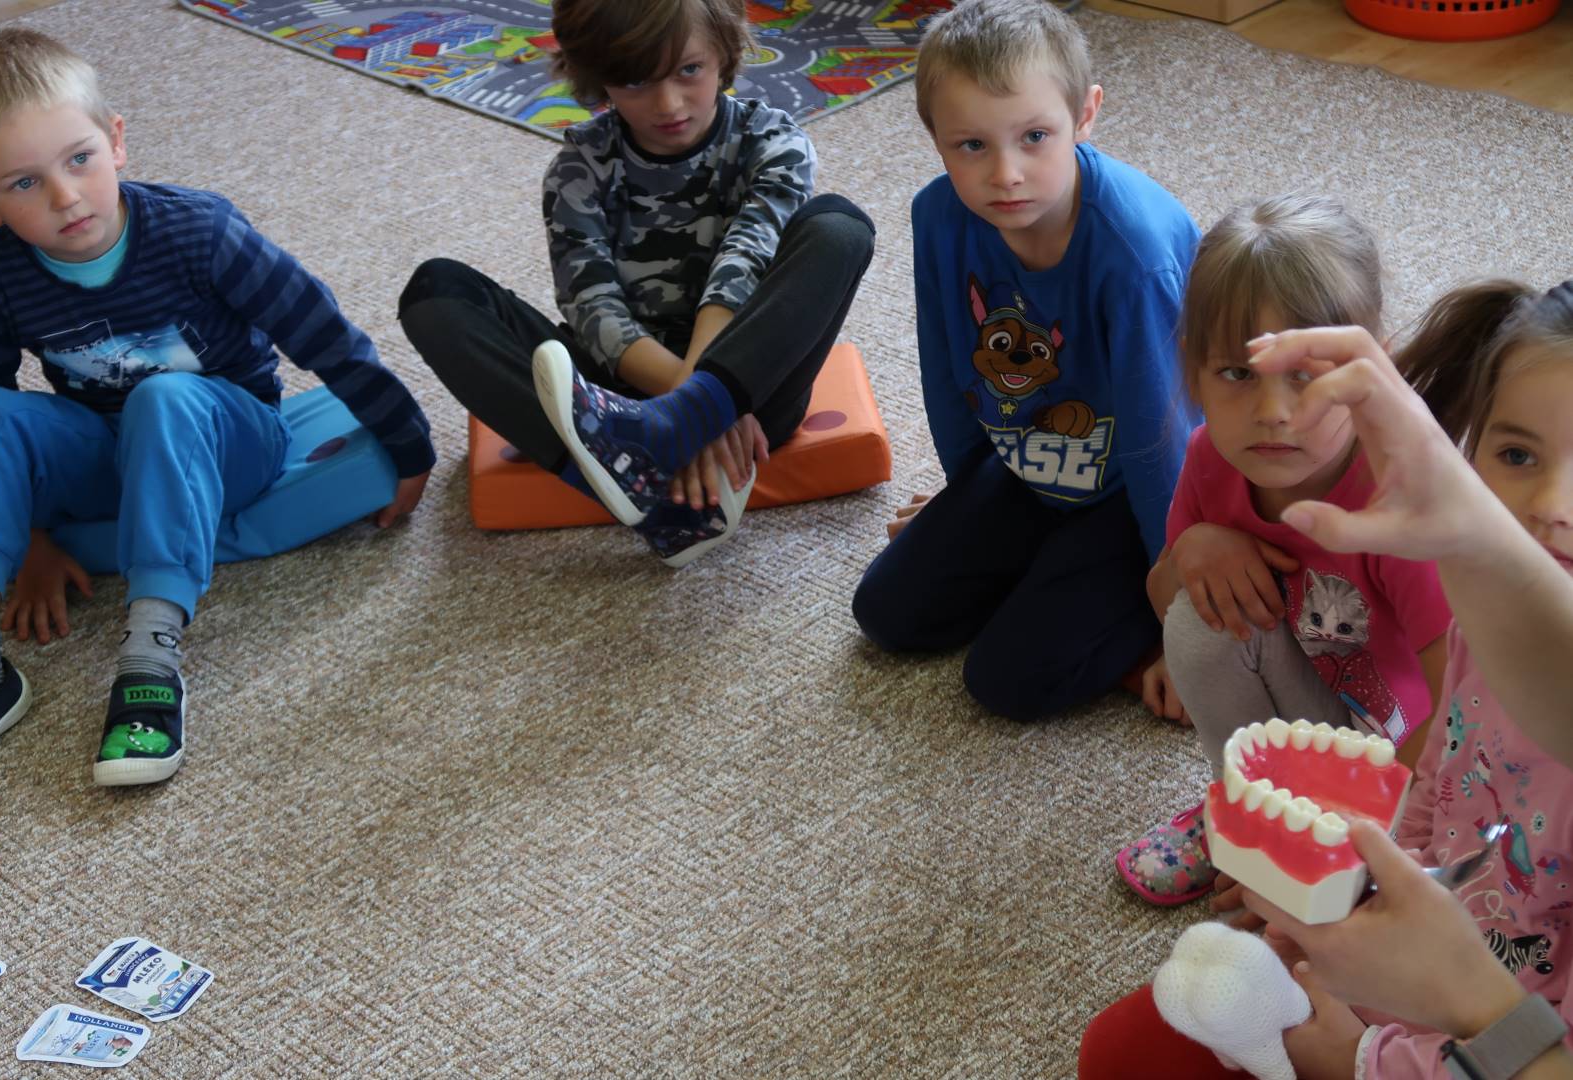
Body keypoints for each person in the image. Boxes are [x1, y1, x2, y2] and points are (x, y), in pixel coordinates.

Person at [1080, 280, 1573, 1078]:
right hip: (1433, 963)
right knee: (1125, 1046)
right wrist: (1351, 900)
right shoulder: (1488, 618)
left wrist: (1362, 1057)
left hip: (1496, 1031)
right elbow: (1436, 788)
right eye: (1515, 455)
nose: (1552, 505)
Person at [0, 29, 434, 788]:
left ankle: (150, 660)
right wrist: (33, 544)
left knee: (165, 396)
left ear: (116, 142)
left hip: (233, 440)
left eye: (79, 159)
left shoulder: (198, 232)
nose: (65, 196)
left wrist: (407, 445)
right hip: (107, 450)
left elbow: (321, 332)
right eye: (23, 183)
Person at [397, 0, 874, 567]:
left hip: (751, 394)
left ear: (724, 53)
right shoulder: (579, 165)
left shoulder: (772, 140)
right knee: (436, 291)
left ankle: (645, 453)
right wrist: (684, 410)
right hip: (612, 406)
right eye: (634, 80)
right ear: (597, 76)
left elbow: (740, 269)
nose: (668, 104)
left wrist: (702, 407)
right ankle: (652, 487)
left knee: (840, 227)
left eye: (689, 70)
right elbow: (593, 307)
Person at [849, 0, 1200, 722]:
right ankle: (1054, 575)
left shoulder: (1130, 255)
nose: (1005, 174)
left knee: (1007, 680)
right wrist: (967, 493)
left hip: (1143, 490)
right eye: (971, 145)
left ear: (1085, 114)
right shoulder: (938, 216)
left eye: (1034, 137)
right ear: (935, 138)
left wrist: (1183, 616)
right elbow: (948, 368)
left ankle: (1112, 617)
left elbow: (1160, 437)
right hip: (1033, 466)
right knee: (887, 615)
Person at [1114, 193, 1450, 906]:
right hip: (1312, 721)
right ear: (1193, 370)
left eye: (1306, 374)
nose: (1272, 413)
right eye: (1237, 374)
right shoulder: (1210, 458)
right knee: (1199, 621)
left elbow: (1459, 704)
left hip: (1411, 753)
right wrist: (1193, 548)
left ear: (1370, 373)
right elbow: (1165, 604)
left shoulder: (1399, 497)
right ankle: (1245, 808)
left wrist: (1378, 844)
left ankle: (1320, 835)